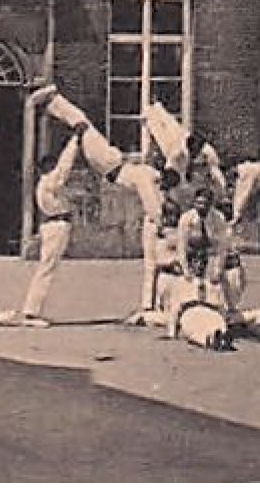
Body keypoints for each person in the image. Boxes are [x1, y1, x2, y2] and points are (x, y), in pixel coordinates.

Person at [35, 85, 177, 315]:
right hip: (112, 164)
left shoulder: (147, 178)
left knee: (84, 128)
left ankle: (54, 101)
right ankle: (53, 101)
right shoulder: (149, 177)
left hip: (110, 164)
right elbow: (152, 191)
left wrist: (157, 217)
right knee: (84, 129)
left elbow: (151, 200)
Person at [16, 134, 81, 327]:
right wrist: (75, 140)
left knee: (47, 267)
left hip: (54, 225)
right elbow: (64, 166)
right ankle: (31, 312)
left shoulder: (46, 185)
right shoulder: (49, 182)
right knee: (47, 268)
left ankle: (32, 310)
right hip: (56, 226)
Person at [142, 102, 229, 197]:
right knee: (164, 131)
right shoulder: (177, 153)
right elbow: (171, 173)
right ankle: (152, 112)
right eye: (193, 151)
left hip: (198, 180)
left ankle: (155, 111)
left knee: (171, 127)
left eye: (197, 151)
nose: (195, 153)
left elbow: (215, 171)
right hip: (174, 151)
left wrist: (220, 187)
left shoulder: (208, 153)